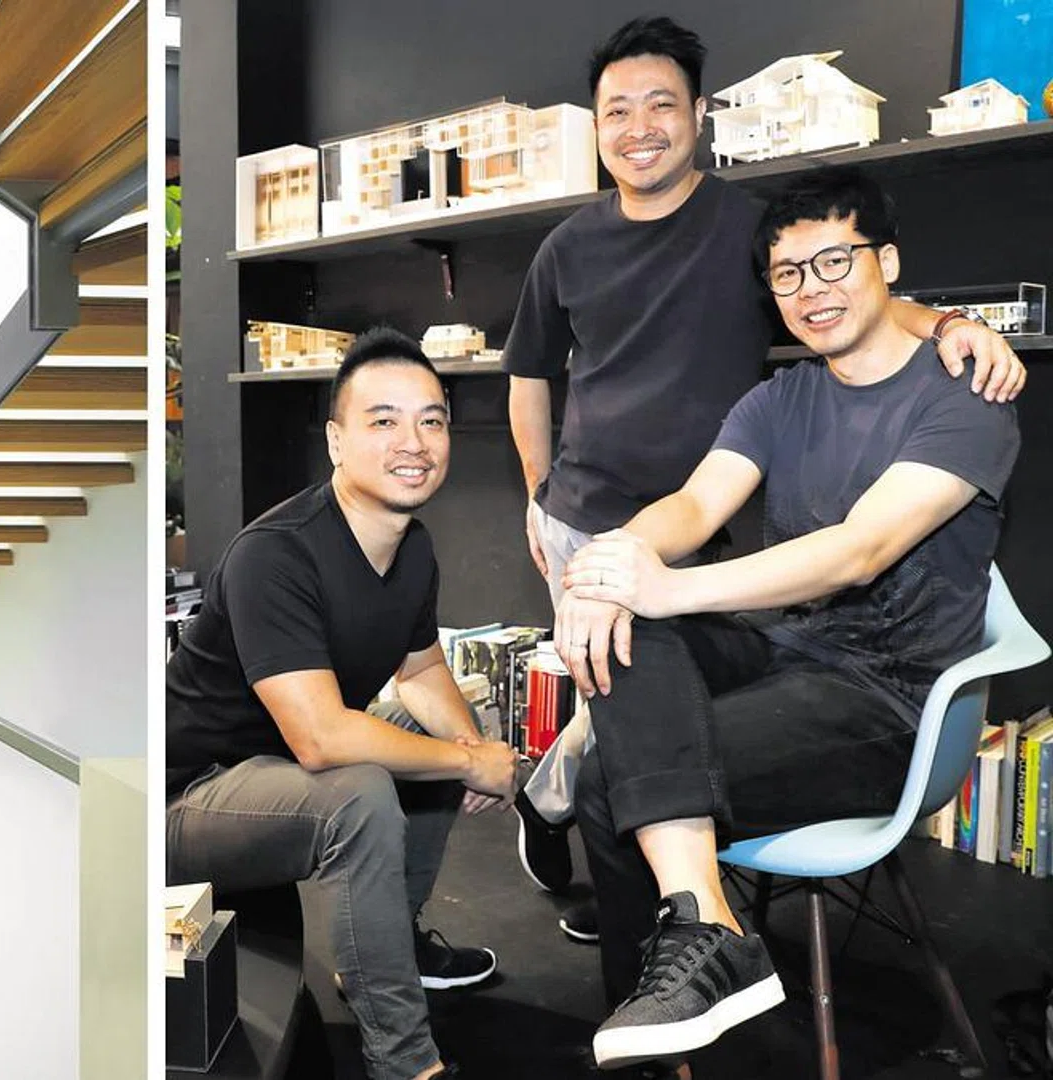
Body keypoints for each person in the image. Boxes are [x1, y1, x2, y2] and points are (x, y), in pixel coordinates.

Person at [502, 15, 1026, 942]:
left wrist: (947, 325)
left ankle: (674, 936)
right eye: (614, 110)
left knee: (622, 748)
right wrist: (555, 512)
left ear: (698, 115)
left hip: (808, 626)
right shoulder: (577, 253)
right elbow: (538, 382)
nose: (638, 126)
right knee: (624, 660)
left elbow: (853, 544)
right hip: (623, 528)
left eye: (660, 103)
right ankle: (675, 931)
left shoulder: (759, 235)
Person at [550, 166, 1018, 1069]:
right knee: (629, 635)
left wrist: (667, 586)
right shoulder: (778, 399)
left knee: (615, 776)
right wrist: (614, 568)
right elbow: (690, 507)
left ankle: (680, 1003)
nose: (812, 290)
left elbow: (859, 549)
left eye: (834, 261)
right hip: (782, 652)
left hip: (891, 701)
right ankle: (699, 943)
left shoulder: (966, 394)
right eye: (788, 274)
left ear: (887, 263)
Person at [167, 327, 521, 1080]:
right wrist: (465, 758)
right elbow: (323, 740)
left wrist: (474, 754)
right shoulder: (278, 553)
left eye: (431, 419)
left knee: (413, 733)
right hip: (184, 802)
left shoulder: (411, 545)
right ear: (336, 440)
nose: (414, 442)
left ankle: (386, 940)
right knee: (358, 789)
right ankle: (404, 1060)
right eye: (383, 420)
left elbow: (421, 668)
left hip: (272, 776)